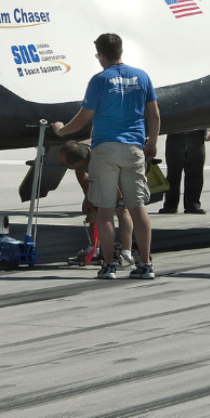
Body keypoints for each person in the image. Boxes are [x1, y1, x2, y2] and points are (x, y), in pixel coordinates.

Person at [52, 33, 160, 281]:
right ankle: (144, 263)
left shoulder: (99, 80)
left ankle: (109, 265)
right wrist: (152, 143)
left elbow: (83, 117)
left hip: (105, 149)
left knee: (105, 210)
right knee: (137, 208)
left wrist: (61, 130)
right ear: (121, 51)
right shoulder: (142, 76)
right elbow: (154, 115)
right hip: (134, 148)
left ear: (101, 54)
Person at [58, 141, 135, 266]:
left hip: (123, 175)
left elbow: (117, 194)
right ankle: (94, 250)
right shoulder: (81, 157)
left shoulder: (99, 162)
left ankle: (126, 252)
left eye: (66, 164)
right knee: (96, 208)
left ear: (76, 163)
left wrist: (95, 209)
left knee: (121, 208)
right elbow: (83, 177)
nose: (65, 167)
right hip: (105, 178)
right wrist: (89, 199)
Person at [159, 129, 210, 214]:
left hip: (197, 134)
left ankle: (193, 204)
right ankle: (170, 205)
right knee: (173, 172)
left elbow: (209, 115)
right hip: (175, 134)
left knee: (195, 172)